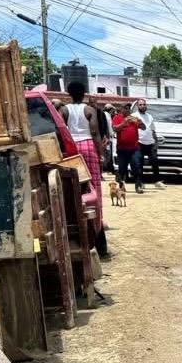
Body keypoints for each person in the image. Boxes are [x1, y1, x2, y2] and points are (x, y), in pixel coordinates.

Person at [63, 82, 108, 256]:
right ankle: (97, 231)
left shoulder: (64, 110)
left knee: (74, 186)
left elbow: (61, 130)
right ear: (83, 93)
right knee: (94, 187)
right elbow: (95, 133)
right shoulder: (90, 110)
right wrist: (100, 153)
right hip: (88, 145)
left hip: (72, 148)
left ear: (69, 94)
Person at [132, 99, 161, 186]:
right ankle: (140, 182)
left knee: (154, 162)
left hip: (150, 143)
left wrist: (156, 143)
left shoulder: (150, 116)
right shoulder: (133, 116)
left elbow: (153, 130)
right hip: (139, 143)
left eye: (144, 104)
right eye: (140, 105)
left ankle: (157, 182)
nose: (143, 106)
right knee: (139, 163)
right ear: (138, 106)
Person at [114, 113, 143, 192]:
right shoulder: (117, 118)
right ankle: (121, 186)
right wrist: (124, 123)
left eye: (128, 107)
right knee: (122, 169)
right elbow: (115, 129)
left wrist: (140, 122)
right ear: (122, 109)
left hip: (134, 148)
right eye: (125, 107)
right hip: (122, 149)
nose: (127, 109)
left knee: (137, 166)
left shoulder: (134, 118)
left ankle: (138, 186)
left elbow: (143, 128)